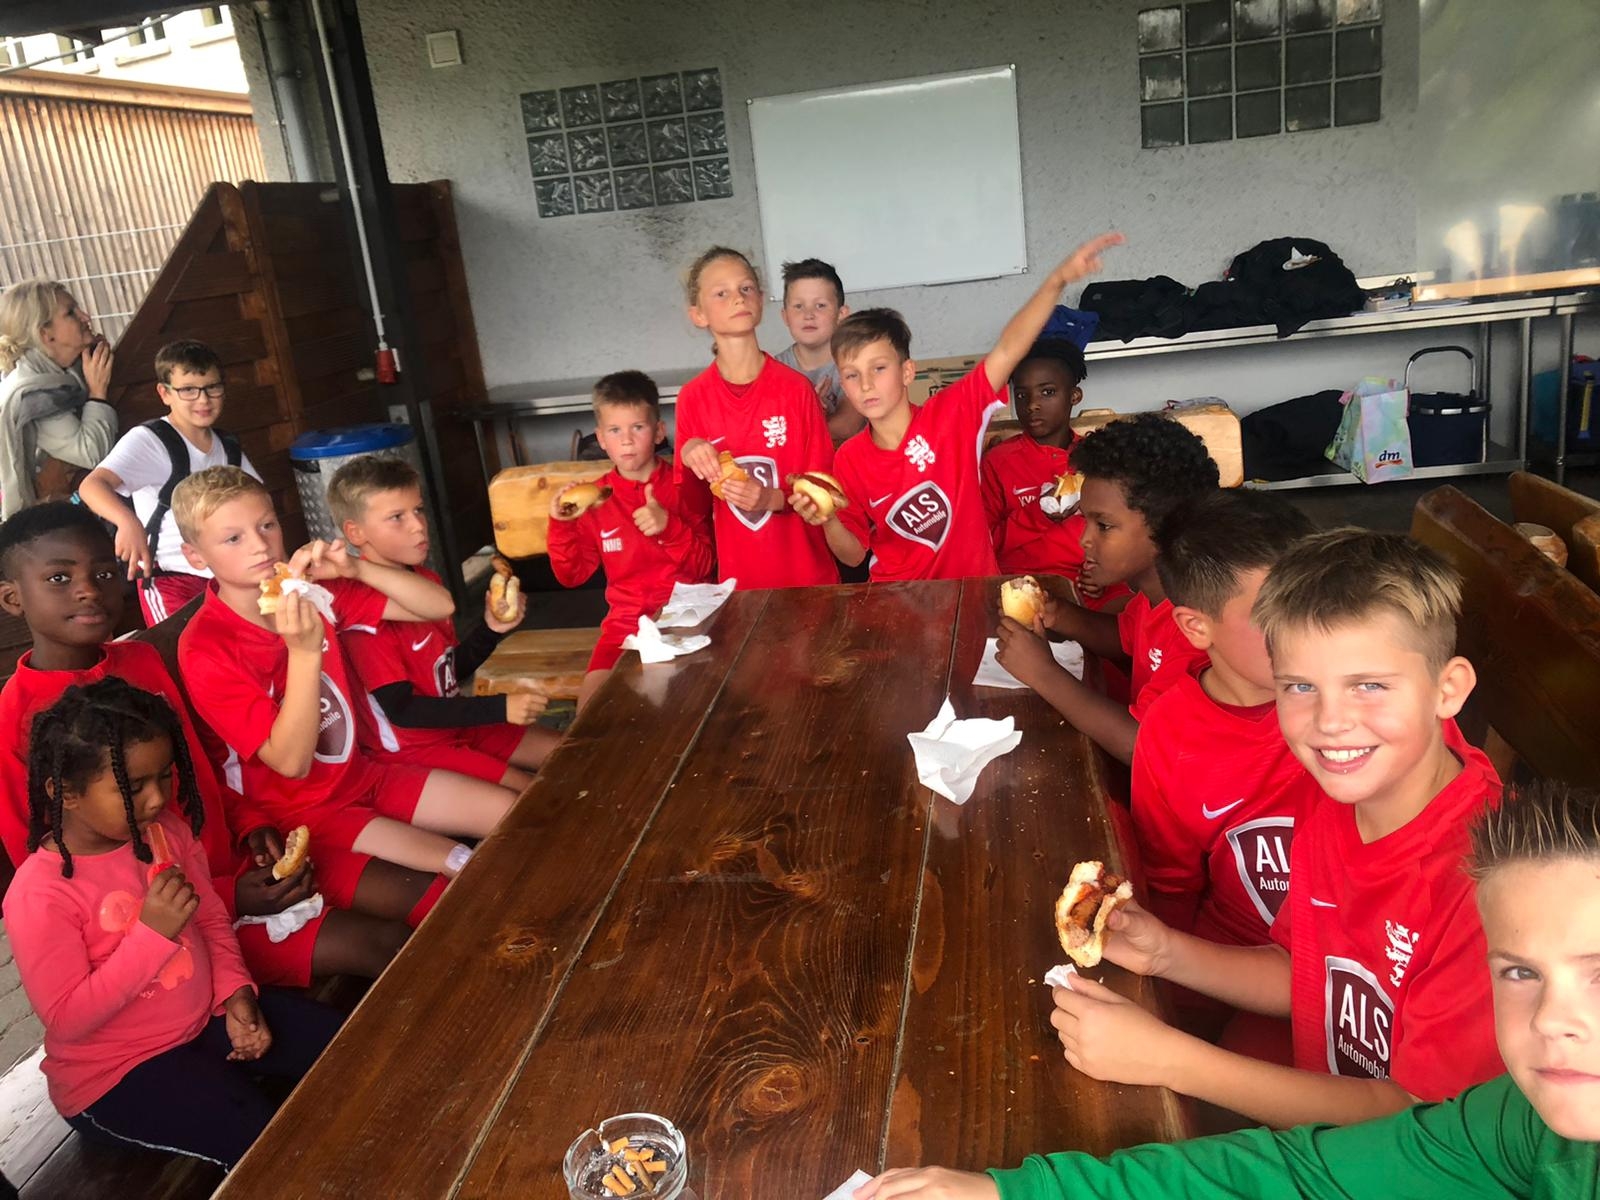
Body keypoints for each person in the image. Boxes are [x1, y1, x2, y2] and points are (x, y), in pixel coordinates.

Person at [855, 779, 1600, 1200]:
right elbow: (1295, 1173)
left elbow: (1397, 1107)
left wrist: (1171, 1059)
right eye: (1521, 973)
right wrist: (1007, 1193)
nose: (1552, 1020)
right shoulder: (1522, 1124)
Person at [1047, 531, 1505, 1130]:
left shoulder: (1492, 882)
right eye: (1300, 687)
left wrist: (1171, 1060)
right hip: (1316, 1119)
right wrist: (1167, 953)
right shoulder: (1336, 800)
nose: (1330, 722)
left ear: (1449, 690)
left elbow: (1420, 1124)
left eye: (1369, 685)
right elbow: (1307, 973)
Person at [0, 502, 418, 982]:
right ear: (12, 598)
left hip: (243, 864)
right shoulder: (16, 721)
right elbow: (57, 879)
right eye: (59, 578)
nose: (89, 590)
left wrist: (250, 823)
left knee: (418, 898)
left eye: (105, 573)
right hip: (178, 925)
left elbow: (198, 767)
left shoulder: (139, 662)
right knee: (384, 948)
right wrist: (225, 896)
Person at [2, 678, 346, 1169]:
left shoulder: (165, 834)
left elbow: (211, 921)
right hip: (118, 1073)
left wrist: (236, 994)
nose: (156, 799)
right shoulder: (41, 893)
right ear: (67, 794)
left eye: (164, 777)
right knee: (265, 1145)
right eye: (132, 787)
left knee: (344, 1045)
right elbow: (67, 1019)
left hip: (204, 1020)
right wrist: (151, 935)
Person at [174, 466, 513, 883]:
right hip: (304, 811)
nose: (260, 546)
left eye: (267, 525)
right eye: (233, 538)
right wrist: (303, 652)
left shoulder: (311, 591)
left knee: (514, 814)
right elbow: (292, 763)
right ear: (195, 556)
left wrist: (356, 569)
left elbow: (437, 605)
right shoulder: (206, 647)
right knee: (461, 865)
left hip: (365, 773)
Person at [796, 232, 1124, 581]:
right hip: (897, 598)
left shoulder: (950, 415)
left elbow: (1008, 349)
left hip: (973, 593)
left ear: (907, 372)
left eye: (878, 368)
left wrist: (1056, 281)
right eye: (851, 375)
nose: (865, 385)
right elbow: (853, 554)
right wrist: (827, 520)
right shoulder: (849, 458)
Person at [1130, 489, 1314, 1047]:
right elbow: (1172, 891)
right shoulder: (1171, 734)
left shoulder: (1363, 703)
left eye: (1315, 601)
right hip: (1235, 961)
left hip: (1361, 973)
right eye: (1272, 616)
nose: (1307, 631)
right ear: (1195, 626)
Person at [995, 412, 1218, 764]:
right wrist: (1057, 613)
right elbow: (1124, 638)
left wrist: (1042, 673)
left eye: (1104, 525)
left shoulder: (1198, 627)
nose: (1084, 539)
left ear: (1168, 527)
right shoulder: (1152, 596)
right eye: (1085, 520)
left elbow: (1138, 744)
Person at [328, 455, 562, 786]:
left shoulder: (425, 582)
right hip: (414, 748)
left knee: (573, 753)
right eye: (397, 517)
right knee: (529, 792)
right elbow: (404, 710)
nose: (418, 525)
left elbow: (447, 674)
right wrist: (499, 707)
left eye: (418, 510)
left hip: (456, 724)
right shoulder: (364, 614)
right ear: (356, 532)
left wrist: (491, 630)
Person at [548, 370, 715, 709]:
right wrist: (562, 526)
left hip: (686, 619)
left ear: (658, 432)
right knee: (589, 715)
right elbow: (572, 576)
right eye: (615, 430)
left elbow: (705, 566)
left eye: (637, 427)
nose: (626, 440)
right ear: (601, 438)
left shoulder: (683, 487)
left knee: (682, 706)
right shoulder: (595, 499)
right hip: (624, 627)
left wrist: (668, 527)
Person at [674, 247, 838, 590]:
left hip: (809, 579)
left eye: (746, 288)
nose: (738, 298)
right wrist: (689, 455)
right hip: (741, 585)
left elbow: (822, 489)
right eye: (721, 293)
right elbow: (693, 508)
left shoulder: (796, 389)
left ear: (761, 300)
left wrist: (770, 499)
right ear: (698, 314)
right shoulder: (693, 398)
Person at [78, 338, 260, 626]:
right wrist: (128, 522)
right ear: (165, 393)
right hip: (172, 581)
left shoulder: (227, 446)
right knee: (184, 651)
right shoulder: (151, 440)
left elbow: (259, 506)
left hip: (227, 578)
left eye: (212, 387)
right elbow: (92, 485)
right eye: (188, 390)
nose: (203, 400)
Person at [980, 339, 1119, 607]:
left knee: (1131, 612)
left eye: (1047, 392)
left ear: (1074, 396)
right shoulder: (998, 462)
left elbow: (1120, 529)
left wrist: (1105, 572)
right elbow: (984, 543)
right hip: (1018, 586)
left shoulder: (1098, 458)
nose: (1032, 404)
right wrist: (1038, 515)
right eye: (1022, 395)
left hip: (1087, 585)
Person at [0, 279, 117, 517]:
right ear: (46, 334)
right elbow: (90, 453)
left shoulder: (58, 369)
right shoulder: (34, 392)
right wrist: (98, 393)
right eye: (71, 313)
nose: (85, 316)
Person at [774, 258, 862, 445]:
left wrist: (804, 421)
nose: (808, 315)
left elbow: (846, 427)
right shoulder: (774, 370)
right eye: (798, 306)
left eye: (820, 305)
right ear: (785, 316)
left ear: (841, 314)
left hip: (849, 461)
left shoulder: (857, 363)